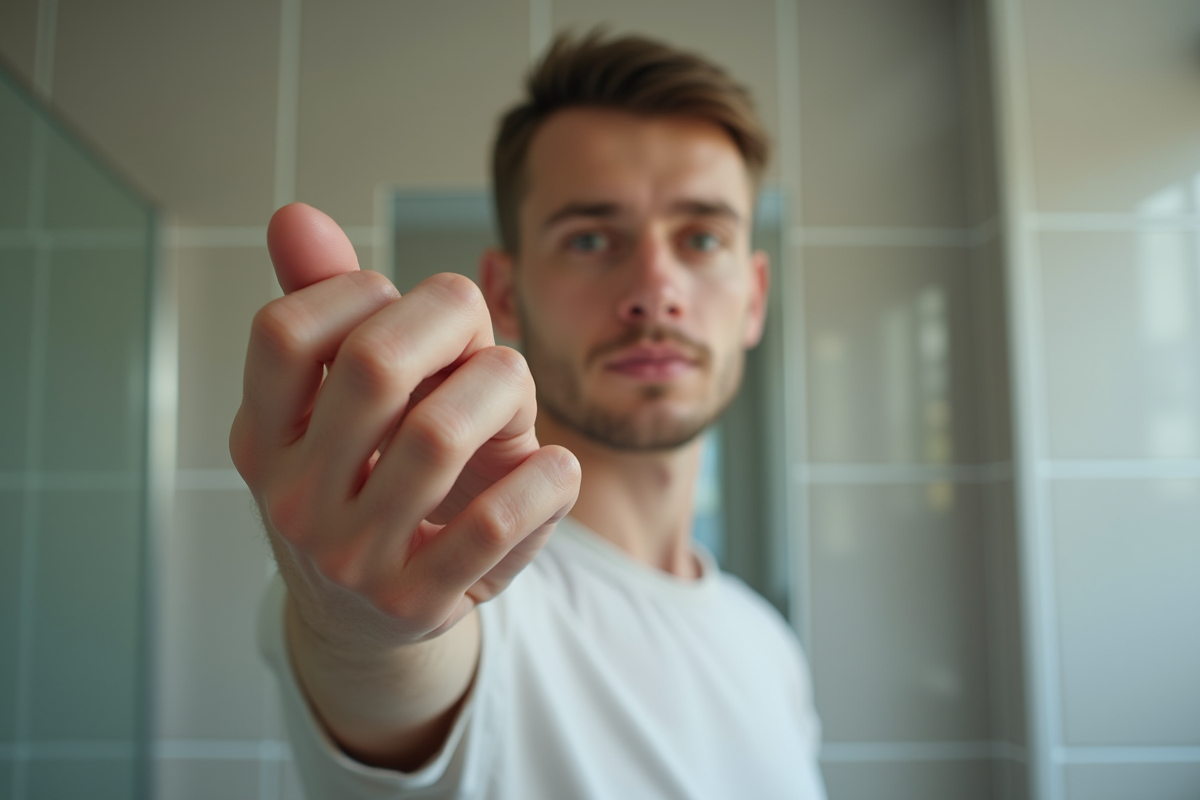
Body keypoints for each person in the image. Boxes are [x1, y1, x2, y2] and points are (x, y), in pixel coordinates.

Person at [231, 31, 827, 799]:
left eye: (702, 238)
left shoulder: (769, 649)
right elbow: (390, 665)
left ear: (754, 297)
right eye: (591, 238)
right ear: (506, 291)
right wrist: (355, 627)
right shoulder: (448, 583)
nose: (656, 289)